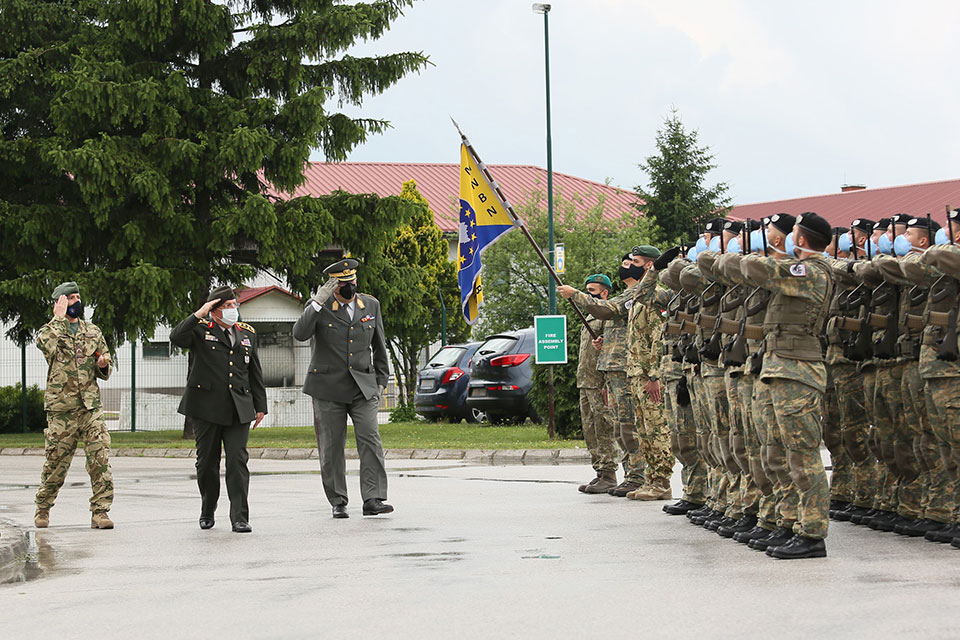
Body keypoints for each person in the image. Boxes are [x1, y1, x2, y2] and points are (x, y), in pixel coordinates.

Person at [293, 258, 392, 518]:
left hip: (363, 386)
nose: (349, 287)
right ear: (332, 286)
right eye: (343, 284)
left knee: (370, 439)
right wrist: (316, 301)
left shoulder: (370, 305)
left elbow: (379, 345)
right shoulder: (319, 307)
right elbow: (300, 333)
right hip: (328, 388)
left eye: (352, 282)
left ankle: (373, 498)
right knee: (332, 445)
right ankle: (338, 500)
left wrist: (382, 381)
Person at [170, 286, 267, 533]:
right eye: (226, 306)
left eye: (234, 305)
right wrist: (199, 313)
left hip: (239, 408)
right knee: (207, 463)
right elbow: (176, 337)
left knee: (237, 461)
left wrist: (260, 405)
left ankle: (240, 517)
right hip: (206, 408)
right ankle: (207, 510)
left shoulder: (246, 334)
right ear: (214, 311)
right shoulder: (201, 330)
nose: (232, 310)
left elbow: (254, 371)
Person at [34, 282, 115, 530]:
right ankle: (43, 508)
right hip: (62, 410)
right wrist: (58, 319)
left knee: (100, 457)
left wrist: (102, 365)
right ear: (59, 302)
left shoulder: (92, 331)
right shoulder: (49, 331)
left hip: (90, 407)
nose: (76, 301)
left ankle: (100, 512)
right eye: (70, 298)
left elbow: (105, 366)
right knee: (56, 462)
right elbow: (44, 344)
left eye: (78, 297)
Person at [575, 274, 619, 494]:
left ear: (604, 293)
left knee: (603, 426)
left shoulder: (607, 315)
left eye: (592, 290)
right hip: (586, 380)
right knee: (590, 428)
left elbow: (613, 346)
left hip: (599, 380)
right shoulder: (589, 318)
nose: (588, 294)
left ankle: (610, 473)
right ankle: (600, 471)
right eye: (587, 289)